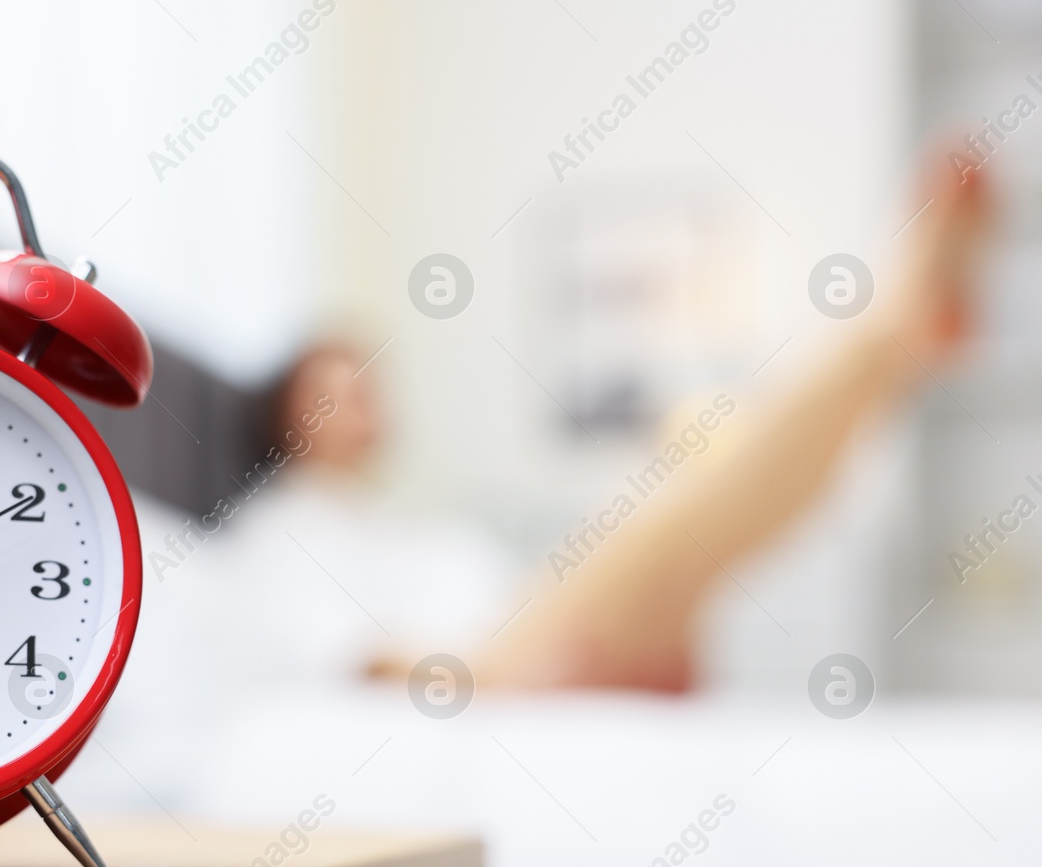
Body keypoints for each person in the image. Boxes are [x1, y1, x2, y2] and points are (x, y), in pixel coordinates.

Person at [261, 154, 989, 692]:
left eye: (368, 387)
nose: (364, 405)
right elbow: (363, 665)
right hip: (502, 668)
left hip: (527, 633)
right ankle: (891, 333)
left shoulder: (394, 524)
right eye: (333, 394)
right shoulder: (283, 531)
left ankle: (891, 343)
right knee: (695, 488)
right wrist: (511, 680)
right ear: (287, 417)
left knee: (702, 471)